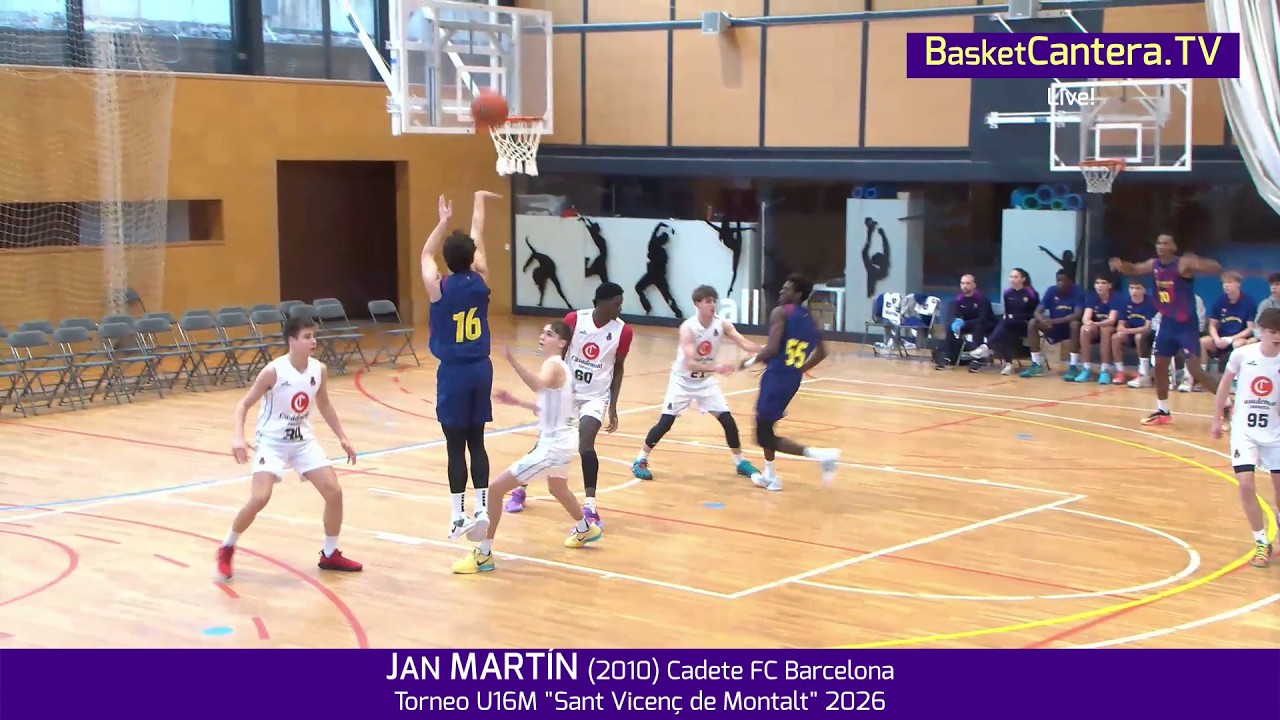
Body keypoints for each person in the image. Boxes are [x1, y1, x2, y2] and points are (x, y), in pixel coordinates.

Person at [451, 322, 602, 574]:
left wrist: (511, 360)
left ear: (562, 343)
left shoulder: (554, 365)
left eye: (550, 334)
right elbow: (544, 405)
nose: (543, 336)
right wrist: (517, 402)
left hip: (553, 446)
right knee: (557, 487)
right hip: (563, 440)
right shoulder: (558, 367)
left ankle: (484, 553)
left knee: (496, 489)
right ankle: (586, 528)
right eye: (542, 332)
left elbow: (538, 385)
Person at [219, 316, 362, 580]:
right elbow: (243, 405)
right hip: (271, 443)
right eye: (307, 337)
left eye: (314, 336)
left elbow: (325, 404)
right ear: (292, 341)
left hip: (302, 441)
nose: (313, 341)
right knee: (260, 498)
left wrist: (342, 436)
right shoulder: (273, 371)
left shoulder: (319, 370)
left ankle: (330, 554)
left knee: (334, 492)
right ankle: (227, 546)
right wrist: (238, 437)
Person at [504, 282, 631, 526]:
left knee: (586, 444)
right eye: (616, 303)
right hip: (567, 393)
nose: (620, 307)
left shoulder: (623, 332)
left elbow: (619, 367)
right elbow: (557, 355)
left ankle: (590, 507)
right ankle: (520, 489)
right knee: (545, 441)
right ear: (602, 303)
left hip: (595, 397)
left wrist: (613, 405)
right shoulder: (575, 319)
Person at [422, 191, 501, 540]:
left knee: (455, 445)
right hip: (481, 369)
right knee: (477, 441)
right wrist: (478, 201)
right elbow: (478, 235)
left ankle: (458, 517)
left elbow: (425, 253)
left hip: (453, 372)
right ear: (472, 259)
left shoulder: (439, 288)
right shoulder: (481, 281)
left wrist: (442, 221)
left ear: (448, 262)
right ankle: (482, 507)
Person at [631, 285, 763, 481]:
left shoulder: (722, 324)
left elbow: (743, 343)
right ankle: (640, 459)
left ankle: (740, 462)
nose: (712, 305)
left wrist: (764, 349)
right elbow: (691, 363)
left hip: (706, 383)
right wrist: (716, 367)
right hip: (682, 382)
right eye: (708, 301)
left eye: (713, 301)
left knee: (728, 421)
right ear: (697, 304)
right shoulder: (688, 328)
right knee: (665, 422)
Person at [740, 274, 841, 492]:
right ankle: (771, 475)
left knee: (763, 435)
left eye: (786, 289)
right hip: (791, 379)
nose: (781, 291)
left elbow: (773, 348)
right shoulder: (810, 320)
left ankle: (821, 456)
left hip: (776, 378)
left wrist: (748, 362)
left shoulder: (780, 312)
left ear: (797, 294)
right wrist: (800, 369)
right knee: (766, 425)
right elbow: (823, 352)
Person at [1109, 234, 1222, 425]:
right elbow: (1134, 268)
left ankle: (1226, 403)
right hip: (1167, 323)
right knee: (1160, 366)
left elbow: (1216, 268)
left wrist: (1201, 262)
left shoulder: (1182, 264)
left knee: (1195, 369)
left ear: (1173, 247)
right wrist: (1121, 265)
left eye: (1166, 243)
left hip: (1186, 324)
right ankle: (1162, 411)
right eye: (1159, 243)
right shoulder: (1153, 264)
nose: (1161, 246)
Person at [1210, 307, 1280, 568]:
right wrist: (1217, 417)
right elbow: (1225, 384)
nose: (1276, 337)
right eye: (1271, 332)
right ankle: (1261, 541)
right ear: (1260, 331)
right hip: (1245, 431)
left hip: (1275, 432)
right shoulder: (1242, 355)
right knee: (1246, 484)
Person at [971, 268, 1038, 376]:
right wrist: (1010, 317)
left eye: (1016, 277)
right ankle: (1008, 364)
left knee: (1005, 325)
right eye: (1011, 277)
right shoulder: (1007, 293)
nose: (1012, 279)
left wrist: (1015, 316)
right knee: (1005, 329)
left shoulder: (1031, 293)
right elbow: (1007, 312)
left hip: (1027, 325)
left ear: (1023, 279)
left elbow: (1034, 314)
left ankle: (987, 347)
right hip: (1011, 324)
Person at [1019, 269, 1084, 378]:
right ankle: (1036, 363)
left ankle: (1073, 366)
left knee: (1075, 324)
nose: (1059, 283)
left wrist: (1056, 321)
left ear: (1070, 281)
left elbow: (1077, 314)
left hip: (1070, 328)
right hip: (1054, 327)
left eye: (1062, 280)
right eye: (1058, 280)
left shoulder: (1078, 291)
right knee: (1033, 322)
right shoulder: (1051, 291)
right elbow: (1037, 311)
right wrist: (1042, 319)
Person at [1200, 270, 1258, 377]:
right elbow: (1212, 325)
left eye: (1229, 282)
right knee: (1202, 342)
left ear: (1238, 284)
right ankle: (1202, 377)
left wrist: (1231, 339)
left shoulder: (1249, 301)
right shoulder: (1219, 301)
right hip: (1221, 339)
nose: (1226, 285)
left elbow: (1250, 328)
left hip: (1239, 338)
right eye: (1224, 283)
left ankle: (1236, 378)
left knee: (1238, 344)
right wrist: (1216, 338)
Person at [931, 273, 994, 370]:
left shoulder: (982, 299)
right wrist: (956, 322)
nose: (965, 286)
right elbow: (952, 315)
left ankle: (978, 359)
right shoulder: (958, 300)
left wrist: (964, 323)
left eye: (968, 283)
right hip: (968, 324)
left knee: (978, 327)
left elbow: (983, 318)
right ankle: (948, 357)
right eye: (963, 283)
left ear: (974, 285)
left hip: (984, 324)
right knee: (950, 326)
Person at [1071, 275, 1121, 384]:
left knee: (1105, 329)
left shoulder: (1116, 297)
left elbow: (1112, 320)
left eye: (1103, 283)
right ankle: (1086, 368)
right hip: (1097, 327)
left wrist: (1096, 324)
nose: (1100, 285)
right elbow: (1086, 317)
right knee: (1084, 329)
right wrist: (1088, 323)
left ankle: (1104, 370)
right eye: (1097, 283)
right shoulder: (1092, 296)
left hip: (1112, 328)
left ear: (1109, 285)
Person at [1111, 278, 1157, 387]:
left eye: (1138, 288)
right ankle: (1120, 371)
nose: (1134, 291)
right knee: (1115, 337)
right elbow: (1121, 323)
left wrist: (1128, 330)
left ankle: (1143, 373)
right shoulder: (1124, 302)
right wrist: (1121, 329)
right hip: (1129, 333)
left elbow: (1147, 327)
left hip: (1146, 335)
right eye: (1131, 288)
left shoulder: (1150, 302)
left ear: (1144, 290)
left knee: (1139, 337)